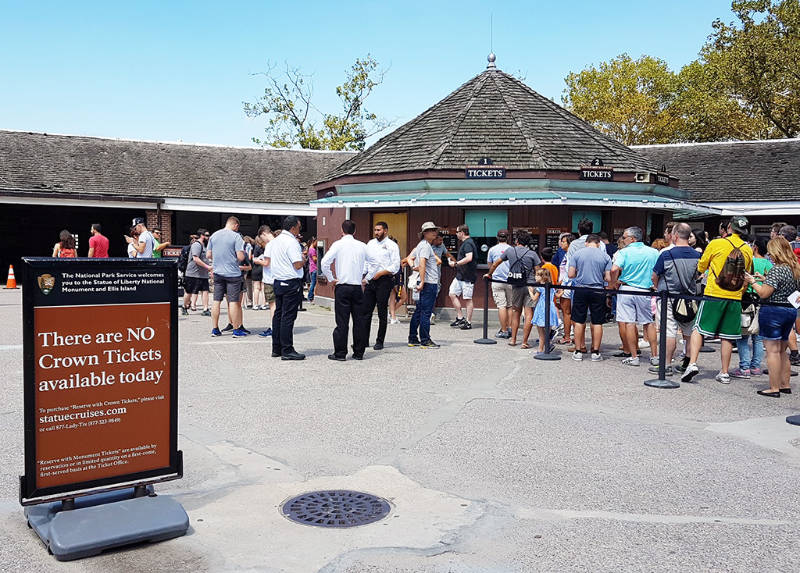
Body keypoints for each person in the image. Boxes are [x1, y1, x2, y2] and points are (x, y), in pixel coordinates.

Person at [681, 216, 754, 384]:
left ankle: (692, 363)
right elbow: (747, 273)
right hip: (735, 296)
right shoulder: (747, 249)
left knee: (698, 328)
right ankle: (724, 372)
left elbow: (701, 266)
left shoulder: (716, 243)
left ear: (729, 227)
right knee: (727, 336)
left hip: (714, 293)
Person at [744, 237, 800, 397]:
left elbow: (763, 293)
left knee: (773, 352)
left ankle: (774, 388)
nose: (769, 255)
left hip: (773, 311)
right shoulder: (794, 268)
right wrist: (765, 280)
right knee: (782, 351)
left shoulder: (777, 269)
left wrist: (752, 281)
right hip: (789, 311)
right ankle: (785, 385)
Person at [650, 223, 701, 376]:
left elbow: (654, 276)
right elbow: (699, 275)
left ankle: (666, 365)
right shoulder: (697, 256)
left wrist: (658, 287)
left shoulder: (666, 255)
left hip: (669, 298)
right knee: (690, 332)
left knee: (669, 332)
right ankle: (689, 362)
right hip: (690, 299)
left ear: (675, 235)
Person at [611, 226, 659, 367]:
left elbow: (614, 268)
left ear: (632, 238)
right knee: (649, 322)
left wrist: (614, 282)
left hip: (626, 288)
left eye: (624, 237)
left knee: (629, 323)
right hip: (645, 289)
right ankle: (655, 355)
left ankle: (634, 356)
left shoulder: (624, 252)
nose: (623, 240)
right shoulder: (653, 252)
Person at [485, 229, 541, 349]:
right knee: (528, 313)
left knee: (516, 312)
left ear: (516, 240)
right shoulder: (532, 254)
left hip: (516, 285)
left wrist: (489, 274)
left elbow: (495, 263)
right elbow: (538, 271)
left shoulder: (510, 251)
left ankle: (513, 339)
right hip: (530, 285)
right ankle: (524, 342)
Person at [321, 220, 368, 360]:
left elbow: (324, 262)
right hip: (357, 285)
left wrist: (331, 278)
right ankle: (359, 352)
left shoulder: (338, 244)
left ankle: (340, 352)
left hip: (342, 285)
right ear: (355, 231)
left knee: (342, 321)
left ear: (342, 230)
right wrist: (366, 277)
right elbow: (374, 262)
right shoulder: (362, 246)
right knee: (359, 320)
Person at [731, 236, 772, 378]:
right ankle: (755, 366)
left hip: (746, 301)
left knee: (743, 335)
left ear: (754, 247)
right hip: (762, 301)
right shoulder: (768, 264)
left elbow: (743, 282)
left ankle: (744, 367)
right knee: (758, 337)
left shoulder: (750, 261)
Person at [267, 216, 306, 360]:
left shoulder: (275, 241)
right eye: (299, 227)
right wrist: (303, 259)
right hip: (290, 281)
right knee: (288, 316)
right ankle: (287, 349)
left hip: (278, 280)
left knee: (278, 315)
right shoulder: (292, 242)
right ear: (293, 227)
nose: (299, 230)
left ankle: (276, 348)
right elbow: (297, 264)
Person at [568, 234, 612, 361]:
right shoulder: (605, 256)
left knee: (579, 320)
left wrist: (579, 273)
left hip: (581, 289)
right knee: (597, 321)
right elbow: (608, 278)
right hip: (598, 290)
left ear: (586, 243)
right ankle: (596, 352)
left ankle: (578, 351)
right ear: (598, 244)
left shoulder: (577, 254)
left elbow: (571, 274)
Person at [362, 221, 401, 351]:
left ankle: (380, 341)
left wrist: (381, 273)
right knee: (366, 311)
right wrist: (364, 276)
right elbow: (366, 262)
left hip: (384, 279)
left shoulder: (392, 245)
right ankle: (364, 340)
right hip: (371, 279)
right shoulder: (371, 244)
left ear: (385, 230)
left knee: (381, 311)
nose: (376, 232)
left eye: (379, 230)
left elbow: (395, 266)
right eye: (375, 230)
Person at [207, 216, 247, 338]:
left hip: (218, 272)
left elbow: (208, 254)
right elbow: (240, 257)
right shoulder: (236, 237)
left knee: (216, 301)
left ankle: (215, 329)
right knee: (233, 302)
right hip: (233, 273)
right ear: (235, 225)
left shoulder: (214, 235)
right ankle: (236, 330)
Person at [408, 222, 441, 349]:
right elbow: (422, 262)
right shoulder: (426, 246)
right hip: (429, 282)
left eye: (434, 229)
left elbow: (412, 259)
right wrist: (422, 281)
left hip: (425, 281)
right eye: (431, 230)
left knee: (419, 311)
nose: (434, 232)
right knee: (426, 313)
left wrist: (415, 269)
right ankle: (425, 340)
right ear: (424, 233)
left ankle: (413, 338)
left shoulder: (421, 245)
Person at [448, 224, 477, 330]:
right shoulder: (465, 243)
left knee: (468, 299)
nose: (456, 234)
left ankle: (468, 322)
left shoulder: (468, 243)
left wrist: (456, 264)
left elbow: (469, 258)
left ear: (462, 233)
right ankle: (460, 317)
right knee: (452, 293)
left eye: (457, 232)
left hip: (468, 276)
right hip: (460, 275)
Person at [487, 229, 513, 338]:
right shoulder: (512, 249)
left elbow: (490, 264)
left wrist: (490, 274)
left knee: (501, 306)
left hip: (497, 280)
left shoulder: (492, 250)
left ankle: (504, 330)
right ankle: (511, 328)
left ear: (497, 237)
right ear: (508, 237)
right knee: (510, 306)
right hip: (510, 280)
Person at [529, 268, 560, 354]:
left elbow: (534, 299)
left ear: (542, 277)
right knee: (547, 331)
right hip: (551, 308)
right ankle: (547, 345)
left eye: (537, 275)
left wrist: (531, 291)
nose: (535, 277)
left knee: (541, 332)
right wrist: (562, 291)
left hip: (541, 309)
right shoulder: (551, 287)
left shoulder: (540, 288)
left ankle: (540, 349)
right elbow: (557, 296)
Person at [183, 228, 212, 316]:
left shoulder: (205, 246)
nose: (208, 237)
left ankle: (205, 309)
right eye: (207, 235)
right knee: (189, 292)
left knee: (205, 290)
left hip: (203, 274)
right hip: (193, 273)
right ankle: (184, 306)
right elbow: (196, 259)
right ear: (202, 236)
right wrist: (208, 267)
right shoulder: (196, 245)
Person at [555, 233, 575, 345]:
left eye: (564, 241)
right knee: (566, 312)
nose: (561, 243)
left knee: (567, 312)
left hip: (567, 287)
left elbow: (569, 273)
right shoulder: (566, 254)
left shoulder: (571, 255)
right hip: (564, 285)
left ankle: (567, 336)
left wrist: (562, 287)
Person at [251, 227, 268, 310]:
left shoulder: (256, 248)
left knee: (256, 287)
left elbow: (254, 259)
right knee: (263, 287)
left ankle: (255, 304)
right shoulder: (266, 247)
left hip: (256, 268)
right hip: (264, 267)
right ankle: (263, 304)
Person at [307, 237, 318, 303]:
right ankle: (310, 297)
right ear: (313, 242)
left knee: (312, 283)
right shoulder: (312, 250)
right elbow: (314, 259)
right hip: (314, 268)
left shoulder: (310, 249)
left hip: (311, 268)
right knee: (313, 283)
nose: (317, 244)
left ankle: (310, 296)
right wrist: (320, 258)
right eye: (316, 242)